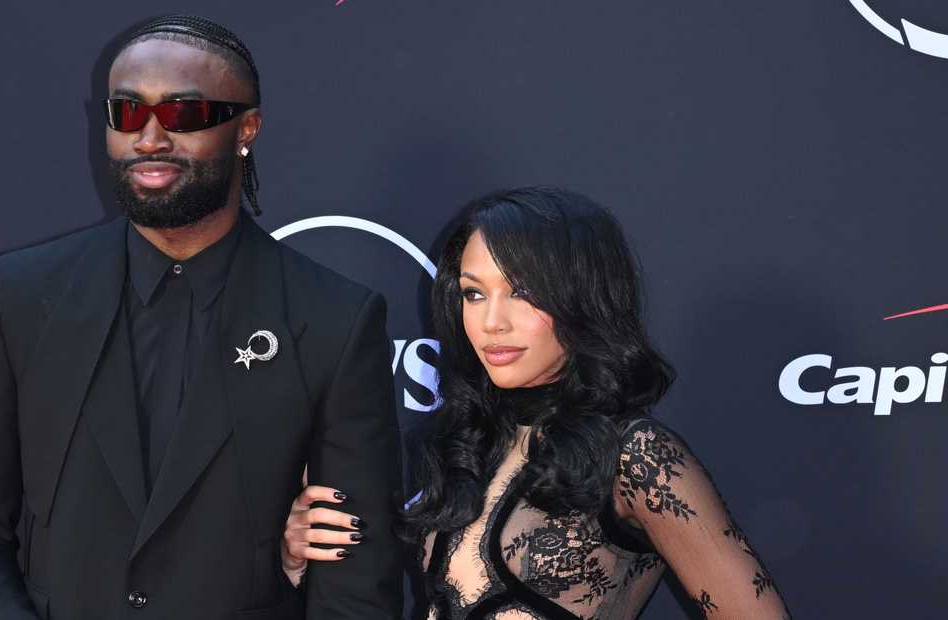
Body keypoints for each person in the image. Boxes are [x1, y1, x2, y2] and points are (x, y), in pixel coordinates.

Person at [0, 15, 403, 620]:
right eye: (126, 113)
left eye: (183, 114)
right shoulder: (20, 294)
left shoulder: (333, 319)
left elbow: (355, 583)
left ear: (246, 129)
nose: (149, 138)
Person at [281, 187, 791, 619]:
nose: (492, 322)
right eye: (474, 294)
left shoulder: (637, 457)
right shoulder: (470, 443)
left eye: (521, 292)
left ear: (583, 298)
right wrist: (297, 564)